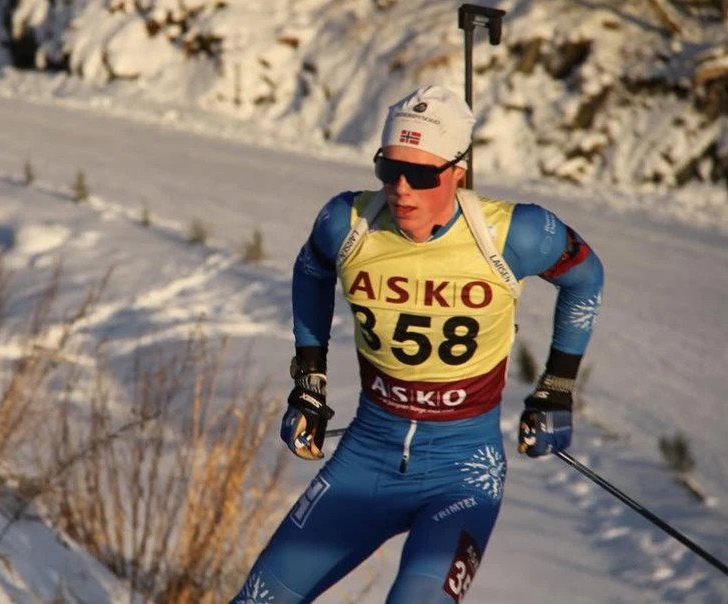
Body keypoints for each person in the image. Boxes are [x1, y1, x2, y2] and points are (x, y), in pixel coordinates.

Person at [230, 85, 604, 603]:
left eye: (423, 175)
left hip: (462, 475)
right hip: (365, 459)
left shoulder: (513, 234)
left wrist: (557, 388)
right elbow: (310, 269)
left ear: (458, 171)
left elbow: (586, 278)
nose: (402, 189)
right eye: (389, 170)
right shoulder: (349, 222)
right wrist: (309, 382)